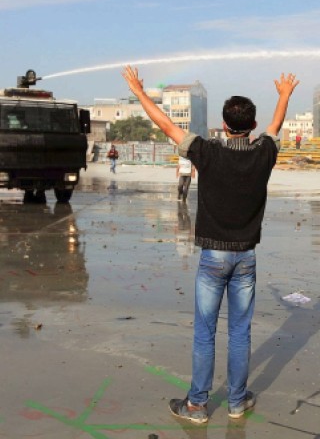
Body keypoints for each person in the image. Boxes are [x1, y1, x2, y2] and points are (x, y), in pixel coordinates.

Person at [122, 66, 299, 424]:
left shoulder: (207, 153)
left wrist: (141, 93)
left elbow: (167, 127)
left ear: (223, 121)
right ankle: (236, 402)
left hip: (212, 259)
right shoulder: (264, 153)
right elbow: (276, 127)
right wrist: (283, 96)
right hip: (246, 257)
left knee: (205, 333)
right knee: (240, 332)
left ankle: (197, 406)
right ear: (251, 125)